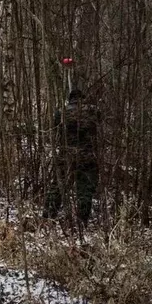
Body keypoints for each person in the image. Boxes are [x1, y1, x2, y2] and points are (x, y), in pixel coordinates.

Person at [44, 88, 99, 228]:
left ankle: (48, 217)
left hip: (66, 156)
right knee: (85, 191)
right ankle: (82, 222)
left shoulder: (61, 112)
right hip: (87, 158)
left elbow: (54, 125)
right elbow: (99, 118)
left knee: (58, 186)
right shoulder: (92, 111)